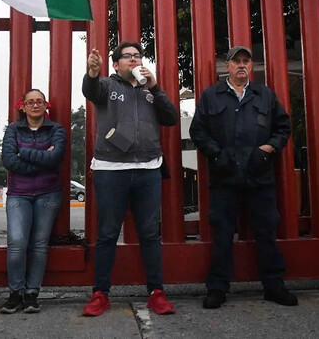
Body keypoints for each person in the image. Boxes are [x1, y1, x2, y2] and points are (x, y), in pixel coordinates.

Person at [189, 46, 297, 308]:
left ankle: (273, 285)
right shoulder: (211, 96)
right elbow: (198, 131)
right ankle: (217, 288)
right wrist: (217, 155)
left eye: (245, 61)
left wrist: (268, 149)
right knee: (223, 233)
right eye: (236, 61)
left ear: (250, 66)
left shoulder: (265, 95)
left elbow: (283, 127)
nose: (241, 65)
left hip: (259, 176)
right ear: (227, 66)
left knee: (266, 230)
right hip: (225, 176)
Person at [81, 42, 178, 317]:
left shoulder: (149, 90)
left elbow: (170, 118)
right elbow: (90, 90)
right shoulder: (106, 87)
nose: (134, 60)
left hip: (149, 168)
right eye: (128, 57)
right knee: (108, 234)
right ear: (115, 65)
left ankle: (156, 292)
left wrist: (155, 88)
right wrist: (91, 73)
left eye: (138, 56)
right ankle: (100, 294)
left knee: (149, 233)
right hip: (111, 169)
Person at [0, 89, 66, 314]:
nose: (35, 105)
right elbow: (8, 160)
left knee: (39, 244)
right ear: (23, 106)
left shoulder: (56, 129)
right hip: (19, 194)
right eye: (30, 102)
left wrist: (24, 152)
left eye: (39, 101)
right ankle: (15, 293)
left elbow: (55, 158)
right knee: (17, 242)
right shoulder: (12, 129)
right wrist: (41, 158)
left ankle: (32, 294)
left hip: (49, 193)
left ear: (45, 105)